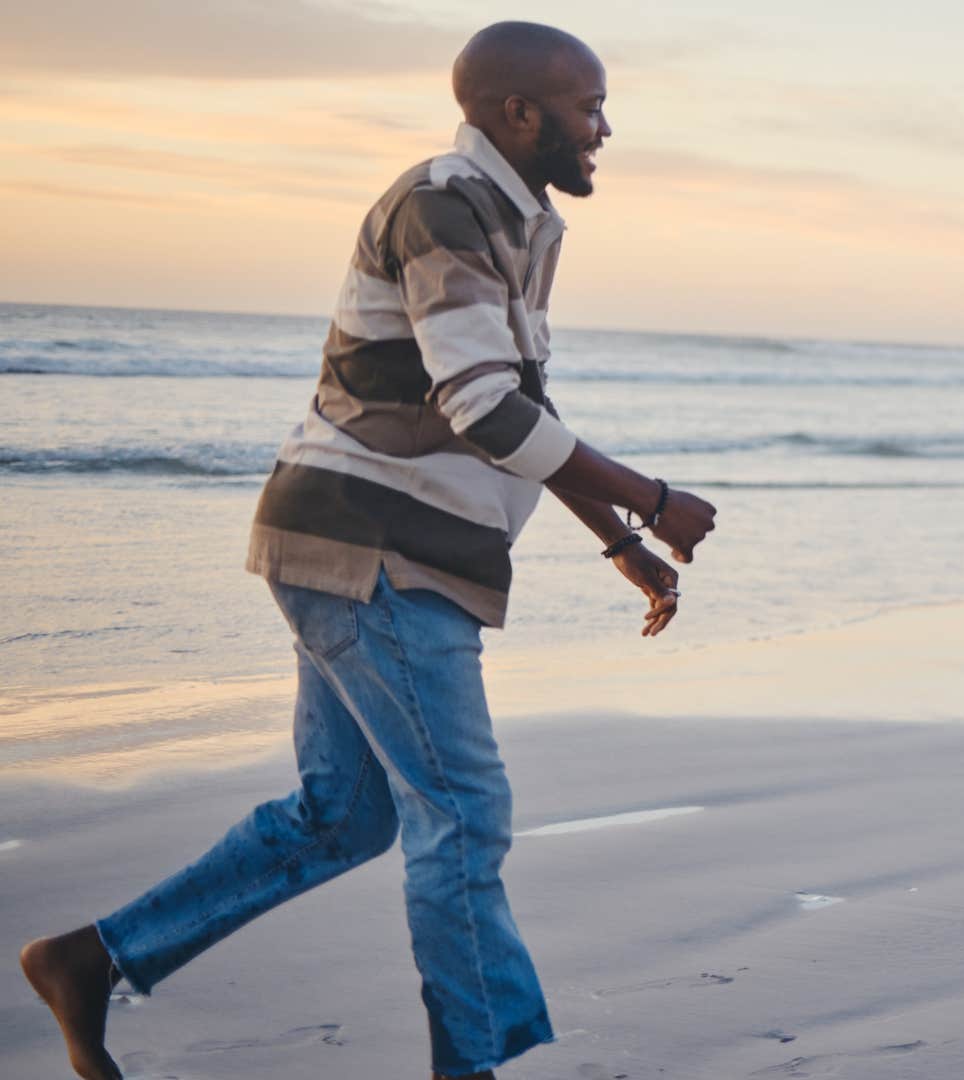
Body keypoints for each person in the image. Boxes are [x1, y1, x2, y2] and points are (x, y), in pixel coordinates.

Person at [18, 22, 716, 1080]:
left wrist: (615, 535)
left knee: (339, 817)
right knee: (464, 816)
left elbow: (516, 400)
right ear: (516, 112)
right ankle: (467, 1068)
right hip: (374, 549)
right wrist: (652, 498)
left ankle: (88, 960)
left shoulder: (520, 223)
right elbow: (481, 405)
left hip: (366, 547)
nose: (604, 128)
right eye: (589, 107)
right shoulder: (440, 205)